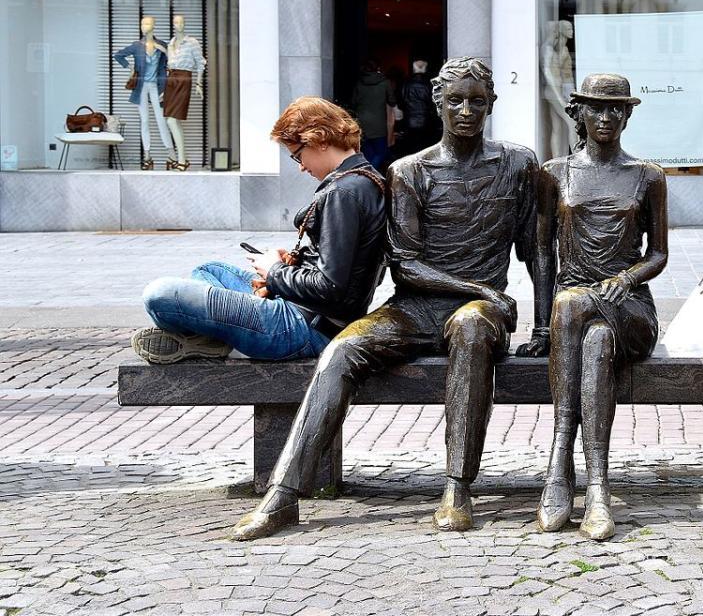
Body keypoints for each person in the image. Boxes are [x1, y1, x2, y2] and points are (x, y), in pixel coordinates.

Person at [231, 57, 539, 541]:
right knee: (343, 349)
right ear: (437, 103)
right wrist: (481, 289)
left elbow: (537, 251)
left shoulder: (518, 163)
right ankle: (283, 495)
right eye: (454, 100)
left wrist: (541, 327)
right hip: (416, 305)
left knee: (473, 327)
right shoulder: (408, 171)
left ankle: (457, 488)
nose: (465, 111)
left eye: (476, 101)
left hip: (477, 314)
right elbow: (407, 265)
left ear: (492, 105)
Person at [518, 73, 668, 541]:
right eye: (596, 108)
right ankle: (598, 485)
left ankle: (559, 460)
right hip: (577, 316)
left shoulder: (647, 175)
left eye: (616, 109)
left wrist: (625, 280)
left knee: (575, 307)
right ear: (578, 113)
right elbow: (542, 254)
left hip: (631, 309)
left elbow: (659, 253)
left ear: (627, 115)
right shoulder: (554, 173)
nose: (606, 117)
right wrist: (541, 328)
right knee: (592, 334)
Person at [133, 97, 388, 363]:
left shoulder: (344, 193)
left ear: (320, 139)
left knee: (158, 294)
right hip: (304, 314)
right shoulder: (362, 179)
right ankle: (213, 337)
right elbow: (343, 269)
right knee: (210, 270)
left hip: (300, 327)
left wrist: (275, 272)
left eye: (298, 155)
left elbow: (331, 287)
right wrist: (289, 263)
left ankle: (214, 336)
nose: (301, 166)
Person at [351, 59, 394, 172]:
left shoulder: (359, 83)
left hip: (361, 122)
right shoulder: (385, 82)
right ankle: (368, 173)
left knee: (367, 153)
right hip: (379, 122)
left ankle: (367, 175)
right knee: (381, 152)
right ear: (377, 68)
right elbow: (392, 101)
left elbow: (353, 102)